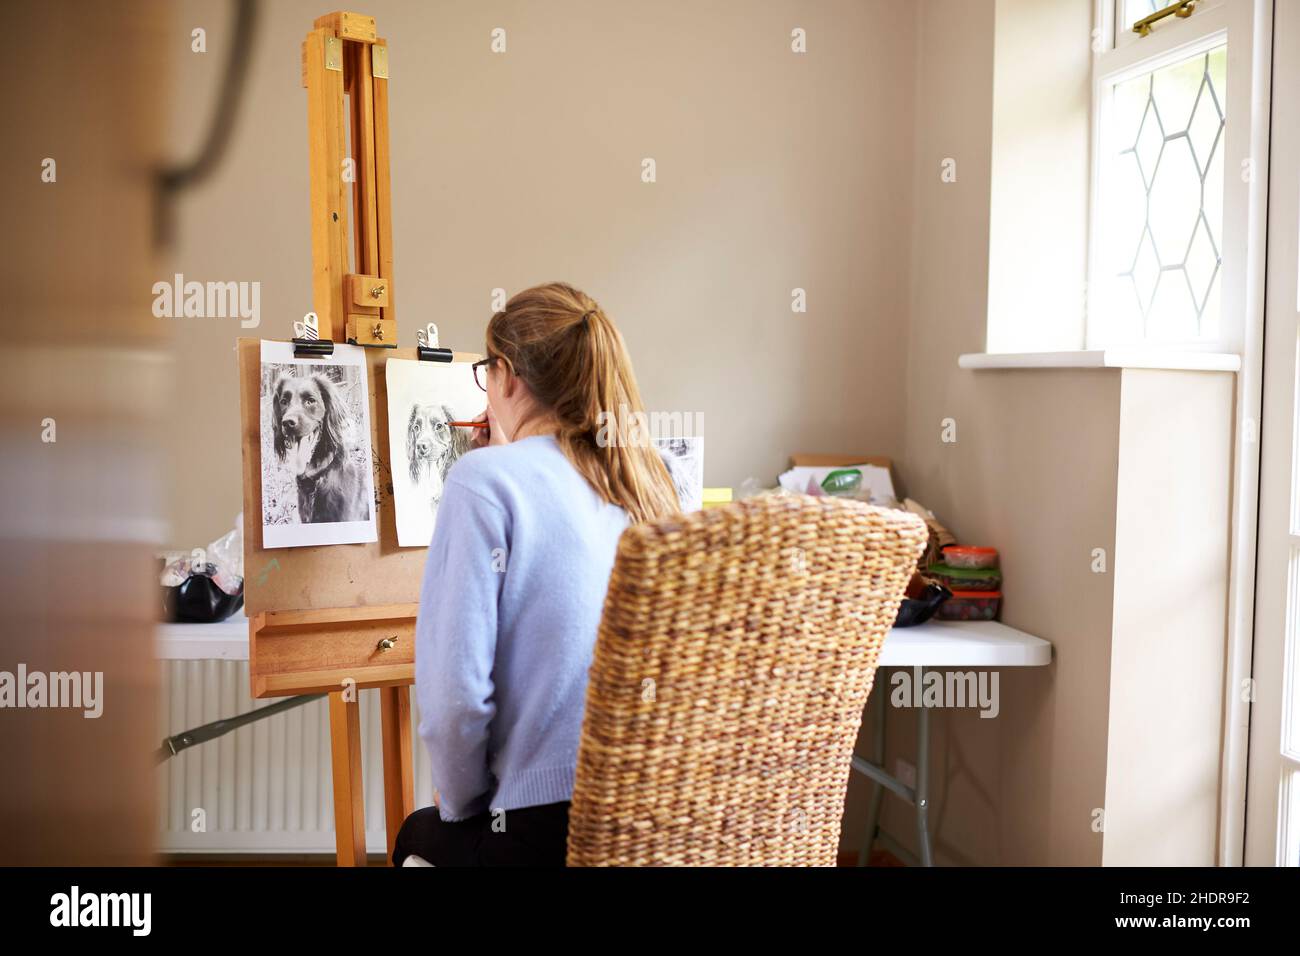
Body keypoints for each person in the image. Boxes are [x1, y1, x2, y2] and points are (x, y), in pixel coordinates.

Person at [393, 282, 680, 866]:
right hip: (654, 823)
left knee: (418, 835)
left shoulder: (482, 483)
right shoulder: (654, 483)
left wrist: (470, 805)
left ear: (508, 376)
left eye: (485, 371)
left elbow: (453, 704)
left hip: (542, 835)